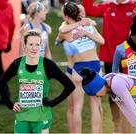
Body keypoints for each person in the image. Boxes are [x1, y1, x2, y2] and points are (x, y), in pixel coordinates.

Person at [82, 0, 136, 132]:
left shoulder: (135, 7)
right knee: (113, 96)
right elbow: (89, 9)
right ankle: (117, 126)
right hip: (110, 57)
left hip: (131, 59)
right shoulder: (107, 7)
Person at [0, 30, 75, 133]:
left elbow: (70, 86)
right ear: (25, 45)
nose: (34, 48)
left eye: (37, 44)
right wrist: (10, 104)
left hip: (41, 116)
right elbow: (1, 84)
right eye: (31, 44)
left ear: (41, 46)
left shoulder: (48, 65)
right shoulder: (17, 64)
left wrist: (52, 103)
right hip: (22, 115)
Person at [57, 2, 104, 133]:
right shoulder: (89, 25)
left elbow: (61, 33)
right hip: (95, 65)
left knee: (77, 106)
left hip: (78, 67)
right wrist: (86, 31)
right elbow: (102, 41)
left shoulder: (68, 30)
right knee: (96, 105)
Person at [81, 67, 136, 133]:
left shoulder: (116, 84)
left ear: (98, 87)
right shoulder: (110, 88)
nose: (96, 96)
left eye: (94, 94)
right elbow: (125, 110)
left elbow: (133, 109)